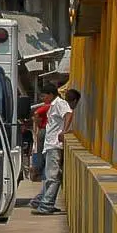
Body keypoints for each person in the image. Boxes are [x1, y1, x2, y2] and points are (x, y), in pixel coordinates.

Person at [30, 85, 78, 215]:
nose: (42, 98)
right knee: (52, 176)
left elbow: (68, 114)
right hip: (50, 145)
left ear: (51, 94)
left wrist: (64, 131)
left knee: (52, 177)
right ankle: (40, 201)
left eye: (43, 95)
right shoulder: (53, 104)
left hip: (54, 145)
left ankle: (45, 205)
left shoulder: (60, 103)